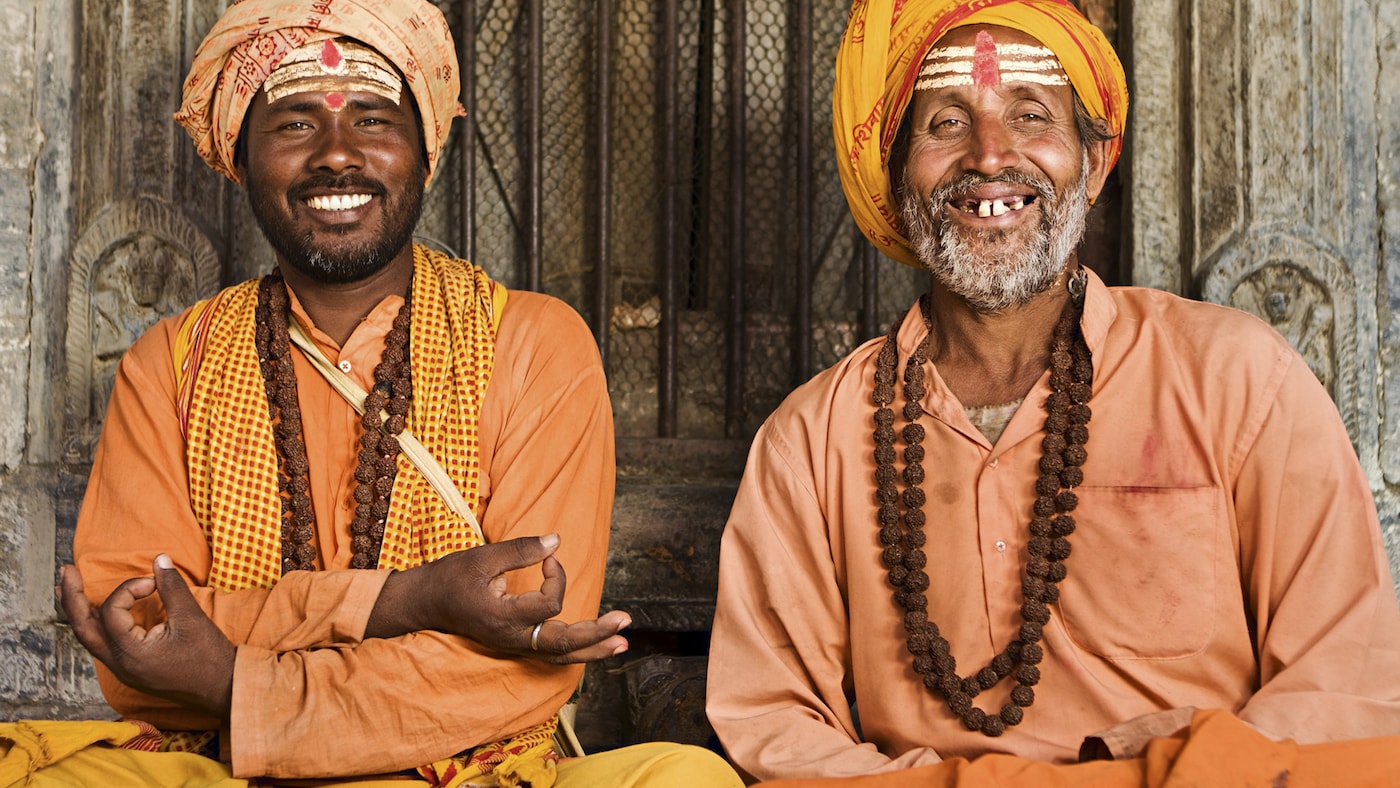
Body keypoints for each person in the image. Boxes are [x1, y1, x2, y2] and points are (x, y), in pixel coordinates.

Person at [37, 1, 743, 785]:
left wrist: (231, 677)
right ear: (241, 154)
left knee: (687, 779)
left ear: (424, 150)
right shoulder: (170, 362)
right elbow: (137, 637)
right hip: (221, 767)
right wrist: (412, 601)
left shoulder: (535, 343)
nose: (338, 156)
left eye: (374, 119)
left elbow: (525, 664)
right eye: (295, 124)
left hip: (474, 770)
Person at [705, 0, 1400, 785]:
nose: (990, 156)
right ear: (897, 177)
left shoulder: (1236, 378)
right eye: (946, 124)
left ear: (1094, 162)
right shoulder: (811, 440)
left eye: (1031, 116)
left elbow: (1346, 684)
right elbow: (770, 717)